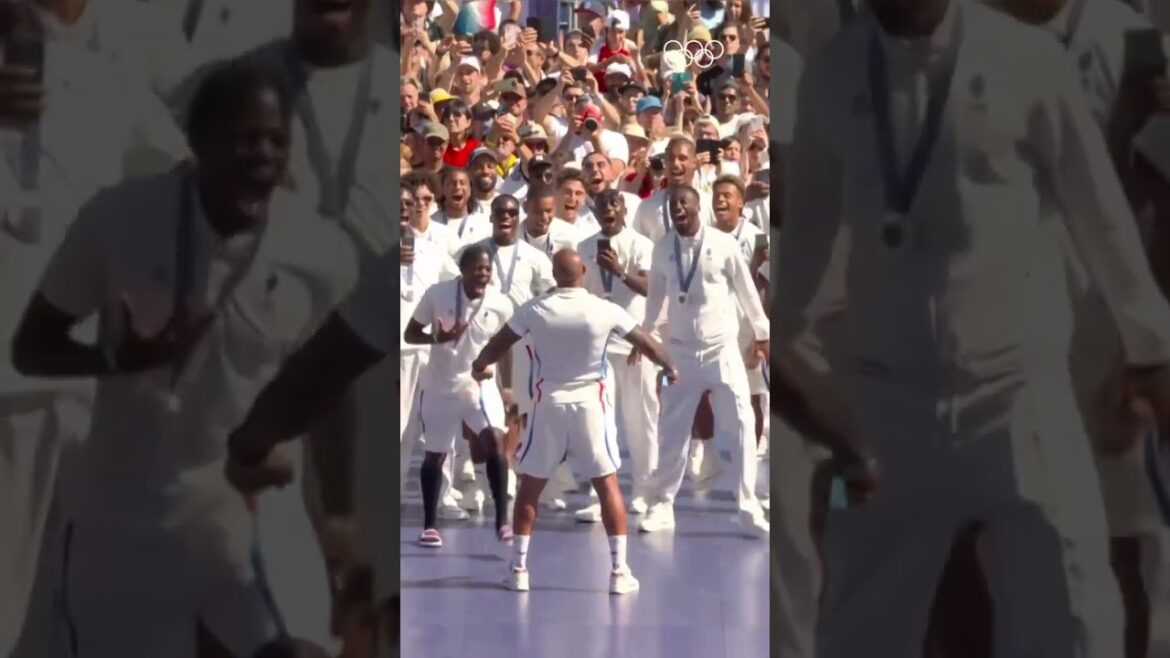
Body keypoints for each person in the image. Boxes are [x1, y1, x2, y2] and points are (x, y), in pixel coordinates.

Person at [778, 0, 1170, 655]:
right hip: (885, 413)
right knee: (858, 633)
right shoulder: (833, 76)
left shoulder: (1027, 60)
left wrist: (1151, 350)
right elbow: (798, 278)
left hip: (1020, 395)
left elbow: (1103, 218)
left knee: (1078, 626)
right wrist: (819, 414)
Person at [11, 61, 357, 658]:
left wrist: (341, 515)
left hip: (252, 501)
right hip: (128, 515)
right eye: (244, 138)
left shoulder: (319, 251)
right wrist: (116, 358)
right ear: (196, 143)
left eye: (276, 140)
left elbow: (333, 387)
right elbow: (31, 348)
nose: (262, 155)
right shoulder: (118, 219)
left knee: (294, 649)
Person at [469, 248, 678, 594]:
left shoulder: (535, 309)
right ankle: (618, 572)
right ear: (583, 272)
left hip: (548, 405)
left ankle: (519, 569)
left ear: (554, 274)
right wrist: (670, 367)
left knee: (531, 487)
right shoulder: (604, 309)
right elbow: (647, 344)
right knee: (607, 485)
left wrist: (479, 365)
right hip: (591, 406)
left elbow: (498, 343)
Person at [636, 184, 769, 538]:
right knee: (672, 430)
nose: (678, 208)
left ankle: (748, 506)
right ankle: (661, 505)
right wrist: (645, 336)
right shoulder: (662, 247)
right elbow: (655, 299)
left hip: (721, 350)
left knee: (741, 425)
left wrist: (762, 333)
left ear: (698, 207)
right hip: (679, 352)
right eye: (673, 204)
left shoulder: (723, 244)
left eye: (685, 202)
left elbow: (747, 290)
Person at [402, 243, 515, 546]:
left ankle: (502, 521)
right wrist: (437, 337)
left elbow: (505, 345)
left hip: (479, 384)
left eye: (487, 269)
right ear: (462, 270)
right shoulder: (437, 294)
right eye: (477, 268)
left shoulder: (500, 302)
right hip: (441, 385)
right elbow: (410, 334)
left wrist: (507, 386)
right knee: (435, 455)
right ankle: (429, 526)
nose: (483, 274)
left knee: (495, 441)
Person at [573, 188, 659, 522]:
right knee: (599, 423)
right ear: (595, 212)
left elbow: (651, 289)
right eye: (602, 205)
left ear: (624, 209)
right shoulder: (584, 247)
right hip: (597, 350)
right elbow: (579, 295)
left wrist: (619, 271)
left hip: (635, 347)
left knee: (641, 421)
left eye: (614, 203)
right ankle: (599, 496)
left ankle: (645, 491)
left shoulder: (641, 245)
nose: (608, 209)